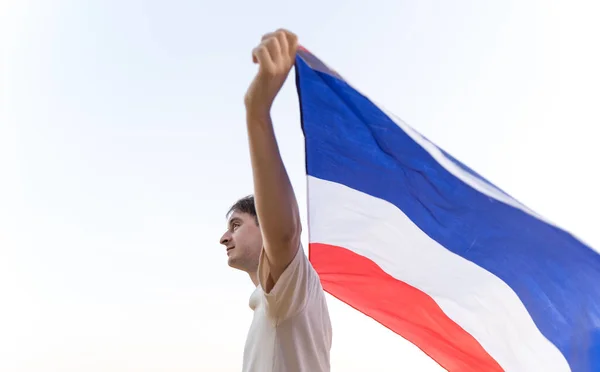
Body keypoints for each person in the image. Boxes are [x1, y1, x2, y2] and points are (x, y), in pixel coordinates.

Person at [219, 29, 332, 372]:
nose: (224, 237)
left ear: (264, 227)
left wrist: (257, 112)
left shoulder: (290, 291)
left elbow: (284, 235)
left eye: (236, 225)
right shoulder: (271, 307)